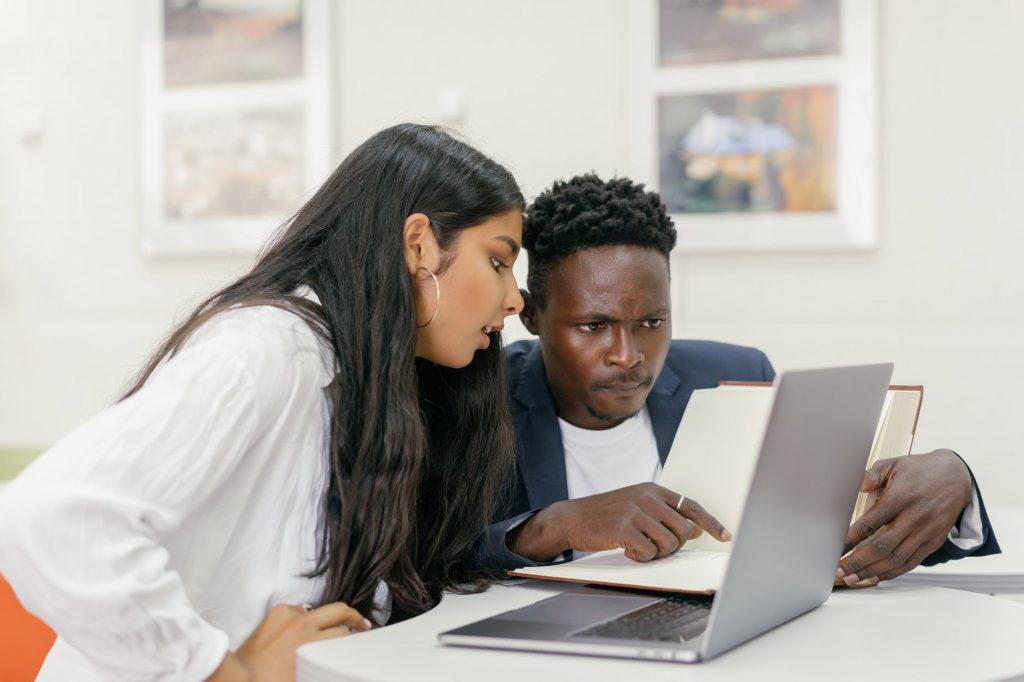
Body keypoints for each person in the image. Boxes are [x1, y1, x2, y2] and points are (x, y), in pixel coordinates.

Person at [0, 123, 527, 681]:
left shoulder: (373, 382)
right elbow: (53, 516)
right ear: (417, 244)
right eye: (498, 261)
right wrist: (227, 672)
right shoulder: (271, 347)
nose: (516, 298)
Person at [474, 173, 999, 586]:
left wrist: (955, 484)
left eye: (651, 323)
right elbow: (423, 557)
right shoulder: (479, 394)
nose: (628, 355)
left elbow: (846, 525)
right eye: (594, 326)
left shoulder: (736, 376)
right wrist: (553, 525)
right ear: (532, 317)